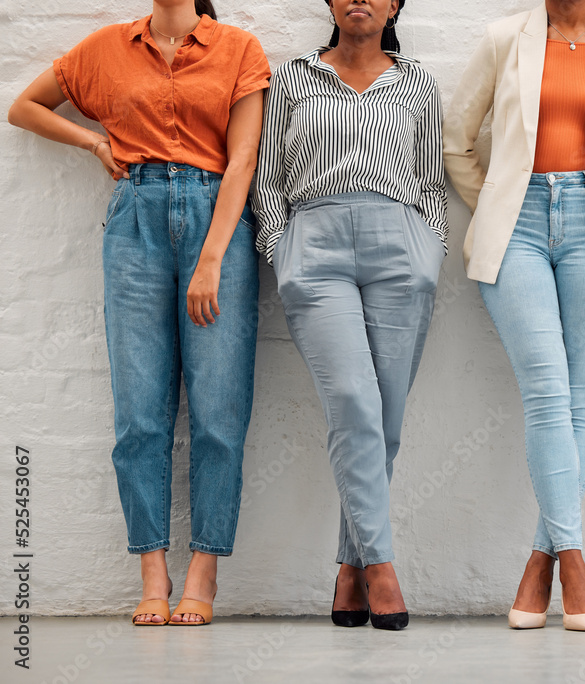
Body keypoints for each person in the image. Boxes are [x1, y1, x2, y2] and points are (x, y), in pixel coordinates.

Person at [7, 0, 270, 626]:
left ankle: (202, 575)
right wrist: (93, 141)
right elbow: (23, 107)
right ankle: (153, 572)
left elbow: (243, 160)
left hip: (217, 221)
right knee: (139, 413)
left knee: (218, 413)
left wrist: (212, 258)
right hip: (134, 223)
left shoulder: (238, 47)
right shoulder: (105, 49)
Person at [444, 0, 585, 631]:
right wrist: (494, 202)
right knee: (547, 390)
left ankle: (540, 561)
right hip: (515, 228)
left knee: (580, 400)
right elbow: (454, 137)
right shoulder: (501, 40)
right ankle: (574, 561)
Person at [253, 0, 446, 631]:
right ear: (332, 4)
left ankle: (348, 566)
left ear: (394, 6)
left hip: (400, 244)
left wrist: (428, 249)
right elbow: (267, 178)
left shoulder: (418, 81)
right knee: (355, 403)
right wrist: (283, 251)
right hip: (316, 245)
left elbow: (433, 177)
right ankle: (383, 565)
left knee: (384, 421)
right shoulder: (291, 78)